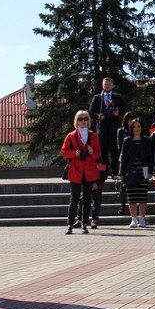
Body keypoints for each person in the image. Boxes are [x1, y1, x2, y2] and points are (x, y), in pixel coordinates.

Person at [88, 77, 128, 228]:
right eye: (105, 83)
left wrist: (118, 112)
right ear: (102, 84)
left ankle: (115, 170)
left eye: (110, 83)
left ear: (113, 85)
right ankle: (103, 172)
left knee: (115, 149)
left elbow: (125, 109)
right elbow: (91, 111)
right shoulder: (97, 97)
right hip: (103, 127)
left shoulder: (117, 97)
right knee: (102, 152)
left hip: (114, 126)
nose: (107, 85)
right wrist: (98, 116)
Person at [61, 111, 101, 235]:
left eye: (85, 119)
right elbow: (64, 151)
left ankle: (84, 224)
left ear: (88, 121)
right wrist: (75, 153)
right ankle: (69, 225)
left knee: (87, 199)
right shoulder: (71, 135)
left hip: (89, 171)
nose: (83, 121)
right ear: (76, 121)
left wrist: (91, 151)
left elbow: (98, 153)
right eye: (80, 119)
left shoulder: (93, 135)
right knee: (74, 199)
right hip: (76, 171)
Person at [119, 117, 152, 228]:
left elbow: (151, 157)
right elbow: (123, 157)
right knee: (132, 196)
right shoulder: (127, 140)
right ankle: (133, 218)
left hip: (144, 170)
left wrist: (150, 171)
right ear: (131, 128)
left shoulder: (147, 140)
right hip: (131, 171)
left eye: (139, 126)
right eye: (134, 127)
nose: (137, 129)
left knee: (142, 196)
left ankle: (142, 218)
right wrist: (121, 173)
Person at [115, 111, 137, 215]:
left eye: (133, 118)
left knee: (136, 184)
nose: (131, 121)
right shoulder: (121, 131)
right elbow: (119, 146)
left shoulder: (138, 130)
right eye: (129, 119)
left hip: (136, 161)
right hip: (125, 161)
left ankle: (135, 206)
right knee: (123, 185)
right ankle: (123, 205)